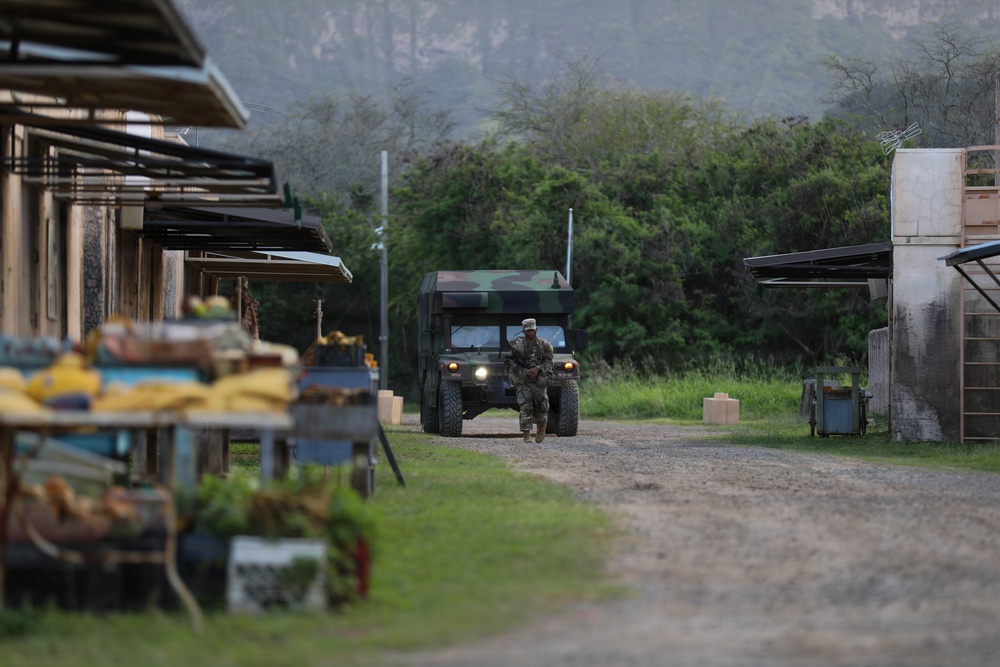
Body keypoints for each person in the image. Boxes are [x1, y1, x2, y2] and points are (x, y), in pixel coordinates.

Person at [505, 318, 554, 443]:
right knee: (525, 406)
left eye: (532, 330)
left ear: (536, 329)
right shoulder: (517, 346)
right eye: (528, 331)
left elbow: (549, 362)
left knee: (542, 406)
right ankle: (526, 435)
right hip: (523, 381)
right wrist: (525, 372)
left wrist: (537, 369)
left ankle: (542, 426)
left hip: (539, 380)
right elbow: (511, 364)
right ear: (523, 331)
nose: (531, 332)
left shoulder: (545, 345)